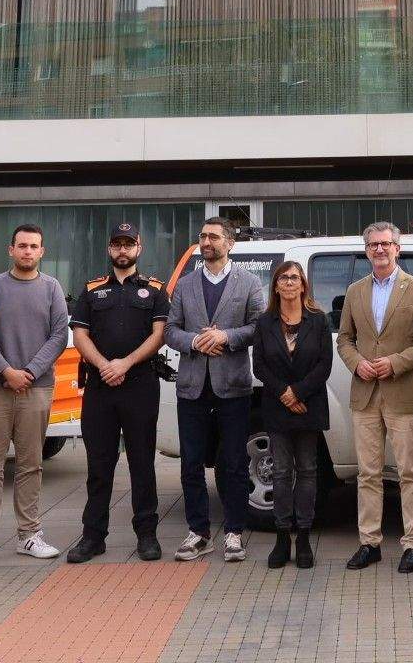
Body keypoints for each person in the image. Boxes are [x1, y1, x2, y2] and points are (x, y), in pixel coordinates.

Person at [335, 221, 413, 574]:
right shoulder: (354, 291)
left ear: (398, 248)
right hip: (364, 395)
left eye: (385, 244)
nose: (379, 250)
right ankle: (370, 543)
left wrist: (395, 362)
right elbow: (344, 339)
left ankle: (412, 545)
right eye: (373, 245)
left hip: (402, 394)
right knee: (368, 473)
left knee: (410, 473)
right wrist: (357, 363)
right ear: (366, 250)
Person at [0, 223, 70, 566]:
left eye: (33, 246)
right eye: (21, 246)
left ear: (42, 252)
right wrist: (5, 371)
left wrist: (29, 372)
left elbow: (58, 336)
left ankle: (29, 534)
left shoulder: (52, 288)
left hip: (36, 388)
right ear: (11, 250)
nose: (27, 251)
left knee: (31, 465)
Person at [164, 215, 266, 563]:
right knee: (191, 463)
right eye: (202, 236)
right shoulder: (186, 285)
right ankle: (199, 533)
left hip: (233, 386)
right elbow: (170, 331)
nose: (206, 242)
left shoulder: (249, 282)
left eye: (213, 237)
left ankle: (234, 532)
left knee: (234, 463)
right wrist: (195, 340)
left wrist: (226, 336)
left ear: (230, 243)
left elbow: (258, 326)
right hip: (192, 387)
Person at [67, 221, 168, 564]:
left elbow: (159, 335)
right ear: (110, 249)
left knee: (142, 463)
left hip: (140, 385)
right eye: (117, 244)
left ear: (138, 248)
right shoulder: (92, 290)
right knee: (99, 466)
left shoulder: (155, 289)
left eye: (128, 244)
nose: (122, 250)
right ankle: (93, 536)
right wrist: (104, 366)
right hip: (99, 388)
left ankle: (147, 535)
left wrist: (124, 364)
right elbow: (80, 335)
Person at [253, 259, 333, 569]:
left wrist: (298, 393)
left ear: (303, 285)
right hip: (277, 406)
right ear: (275, 285)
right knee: (282, 471)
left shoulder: (319, 320)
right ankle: (282, 536)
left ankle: (303, 537)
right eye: (284, 278)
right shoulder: (265, 322)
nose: (289, 283)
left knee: (309, 470)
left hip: (309, 405)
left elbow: (323, 365)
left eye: (294, 278)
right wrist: (285, 394)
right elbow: (259, 366)